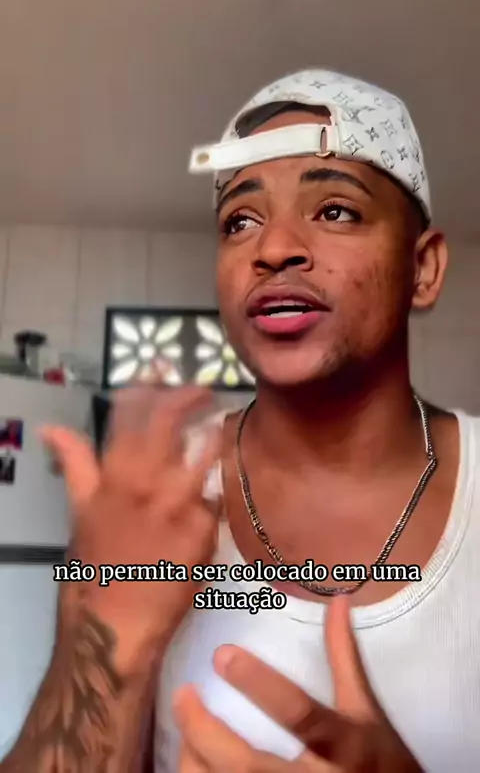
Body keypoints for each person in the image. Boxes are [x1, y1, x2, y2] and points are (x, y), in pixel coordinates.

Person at [1, 69, 479, 773]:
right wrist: (105, 640)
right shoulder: (160, 491)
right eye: (240, 221)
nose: (273, 248)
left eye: (335, 210)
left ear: (424, 268)